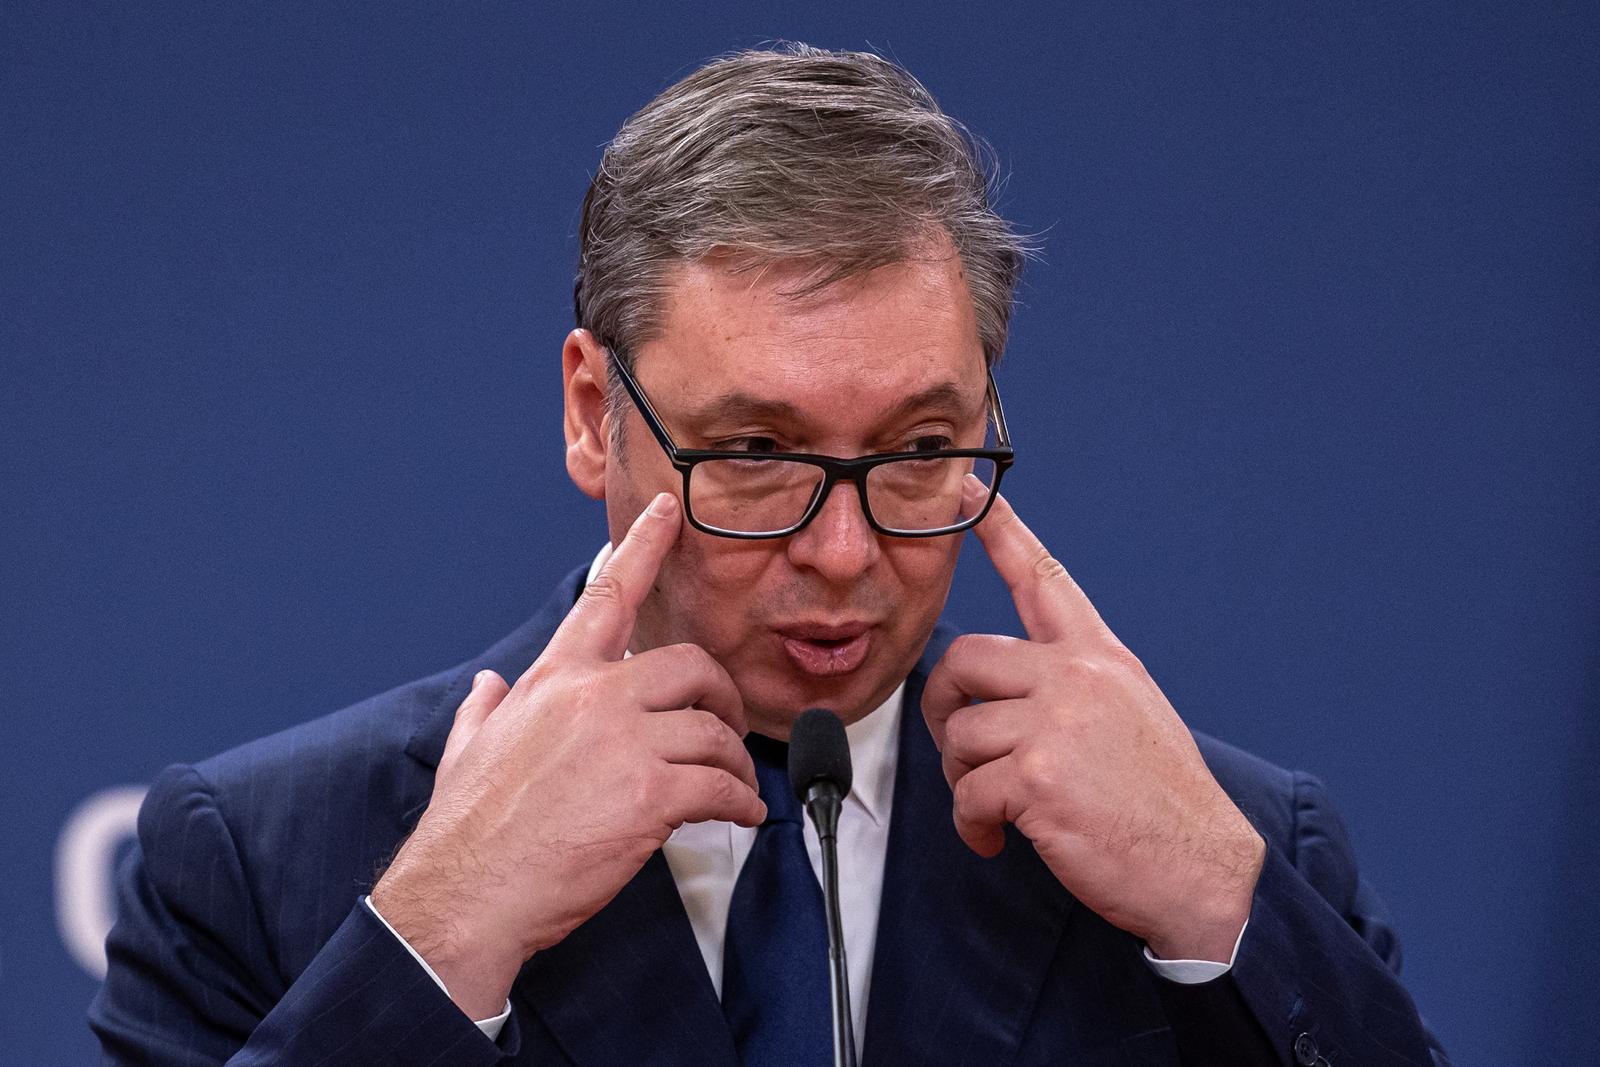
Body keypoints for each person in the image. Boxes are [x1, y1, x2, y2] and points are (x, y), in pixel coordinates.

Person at [91, 44, 1450, 1066]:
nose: (848, 554)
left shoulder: (1243, 846)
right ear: (590, 413)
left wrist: (1226, 904)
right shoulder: (264, 866)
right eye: (755, 454)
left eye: (922, 447)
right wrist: (439, 938)